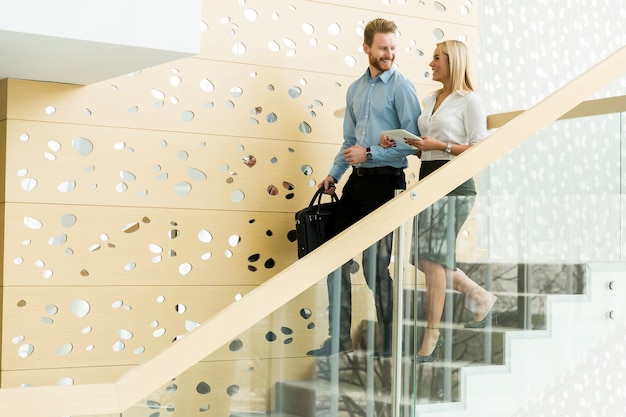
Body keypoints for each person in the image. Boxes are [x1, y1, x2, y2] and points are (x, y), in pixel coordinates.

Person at [306, 17, 421, 358]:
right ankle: (339, 339)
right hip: (356, 184)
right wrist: (334, 175)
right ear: (367, 48)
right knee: (334, 258)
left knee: (374, 266)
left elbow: (414, 143)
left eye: (393, 48)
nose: (389, 54)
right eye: (383, 48)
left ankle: (392, 341)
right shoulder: (355, 89)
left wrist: (370, 152)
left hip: (388, 183)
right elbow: (348, 142)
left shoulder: (402, 87)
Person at [380, 40, 498, 363]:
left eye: (436, 58)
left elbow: (480, 148)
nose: (431, 63)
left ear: (453, 61)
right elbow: (425, 147)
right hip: (428, 181)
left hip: (456, 185)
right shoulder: (430, 99)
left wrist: (443, 146)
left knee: (432, 259)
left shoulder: (470, 101)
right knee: (421, 257)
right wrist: (406, 144)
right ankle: (480, 295)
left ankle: (432, 336)